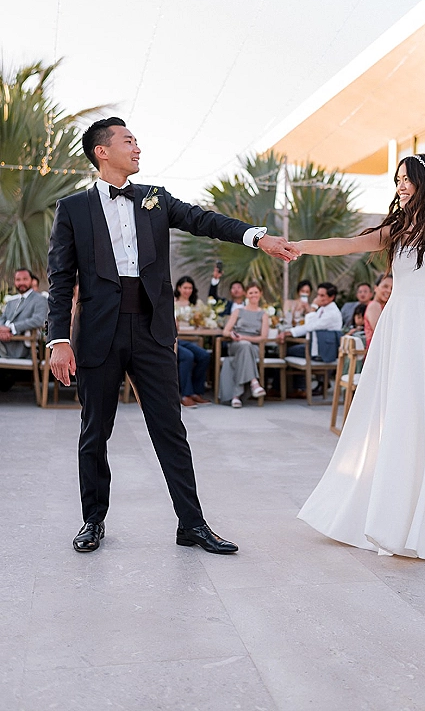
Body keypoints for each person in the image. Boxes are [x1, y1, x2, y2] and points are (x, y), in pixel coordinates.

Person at [46, 117, 297, 556]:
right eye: (128, 141)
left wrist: (257, 237)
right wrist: (58, 340)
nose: (137, 148)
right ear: (102, 152)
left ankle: (192, 525)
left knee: (170, 429)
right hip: (98, 333)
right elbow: (61, 279)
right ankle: (92, 520)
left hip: (152, 330)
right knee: (95, 432)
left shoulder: (155, 199)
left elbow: (204, 220)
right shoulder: (73, 208)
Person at [289, 153, 425, 560]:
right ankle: (386, 515)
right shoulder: (398, 229)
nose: (401, 186)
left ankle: (423, 516)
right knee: (393, 418)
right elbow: (348, 244)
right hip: (399, 331)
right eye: (397, 180)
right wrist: (299, 247)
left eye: (407, 179)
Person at [221, 281, 269, 408]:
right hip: (236, 344)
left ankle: (236, 396)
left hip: (254, 346)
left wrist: (245, 338)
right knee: (244, 346)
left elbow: (263, 337)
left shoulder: (263, 314)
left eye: (256, 292)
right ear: (246, 295)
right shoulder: (238, 311)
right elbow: (225, 331)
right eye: (251, 293)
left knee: (246, 346)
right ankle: (254, 382)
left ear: (260, 294)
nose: (253, 295)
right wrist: (232, 334)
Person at [174, 276, 211, 408]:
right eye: (185, 288)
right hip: (175, 339)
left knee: (204, 356)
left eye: (190, 288)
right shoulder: (172, 302)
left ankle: (196, 392)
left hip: (192, 338)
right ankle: (186, 394)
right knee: (187, 356)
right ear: (179, 288)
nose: (187, 291)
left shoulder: (197, 304)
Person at [0, 268, 48, 360]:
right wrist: (2, 331)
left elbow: (38, 320)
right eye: (18, 279)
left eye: (25, 279)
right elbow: (3, 318)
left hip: (24, 347)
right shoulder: (11, 301)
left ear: (31, 280)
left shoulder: (40, 299)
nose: (21, 282)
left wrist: (11, 328)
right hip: (3, 344)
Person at [364, 274, 392, 350]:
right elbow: (381, 332)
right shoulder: (374, 306)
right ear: (375, 288)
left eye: (392, 288)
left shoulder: (385, 307)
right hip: (378, 352)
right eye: (385, 286)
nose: (389, 291)